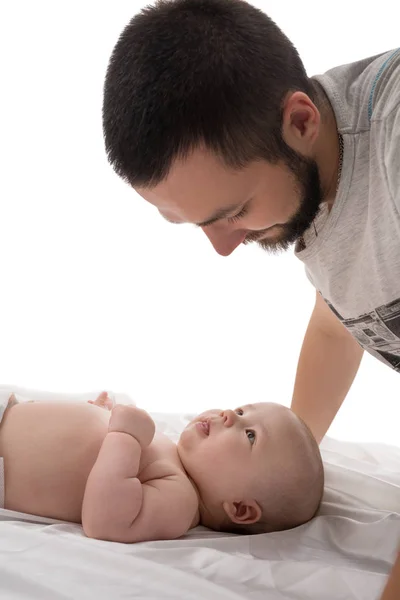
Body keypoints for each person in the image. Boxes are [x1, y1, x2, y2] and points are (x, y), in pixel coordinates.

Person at [101, 0, 400, 593]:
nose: (223, 248)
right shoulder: (317, 168)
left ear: (300, 122)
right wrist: (285, 468)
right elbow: (340, 317)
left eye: (234, 213)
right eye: (194, 224)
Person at [0, 390, 323, 543]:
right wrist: (105, 415)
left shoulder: (180, 500)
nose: (228, 415)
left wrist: (124, 435)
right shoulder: (173, 454)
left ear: (239, 508)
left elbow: (106, 521)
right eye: (240, 410)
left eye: (250, 435)